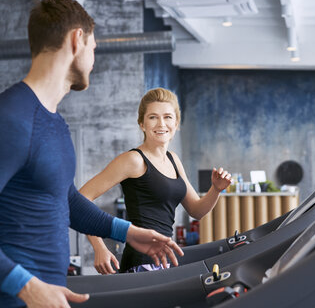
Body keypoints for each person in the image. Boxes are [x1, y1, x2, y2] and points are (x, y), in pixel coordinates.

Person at [0, 0, 183, 308]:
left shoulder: (54, 123)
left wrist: (128, 232)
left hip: (51, 296)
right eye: (94, 49)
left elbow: (65, 199)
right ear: (76, 39)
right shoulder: (8, 118)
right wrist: (26, 287)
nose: (94, 60)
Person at [79, 87, 232, 274]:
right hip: (139, 264)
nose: (161, 124)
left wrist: (215, 189)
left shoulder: (173, 159)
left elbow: (196, 211)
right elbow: (81, 198)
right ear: (142, 124)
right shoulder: (133, 160)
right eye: (153, 117)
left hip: (165, 261)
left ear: (176, 123)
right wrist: (99, 246)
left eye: (168, 117)